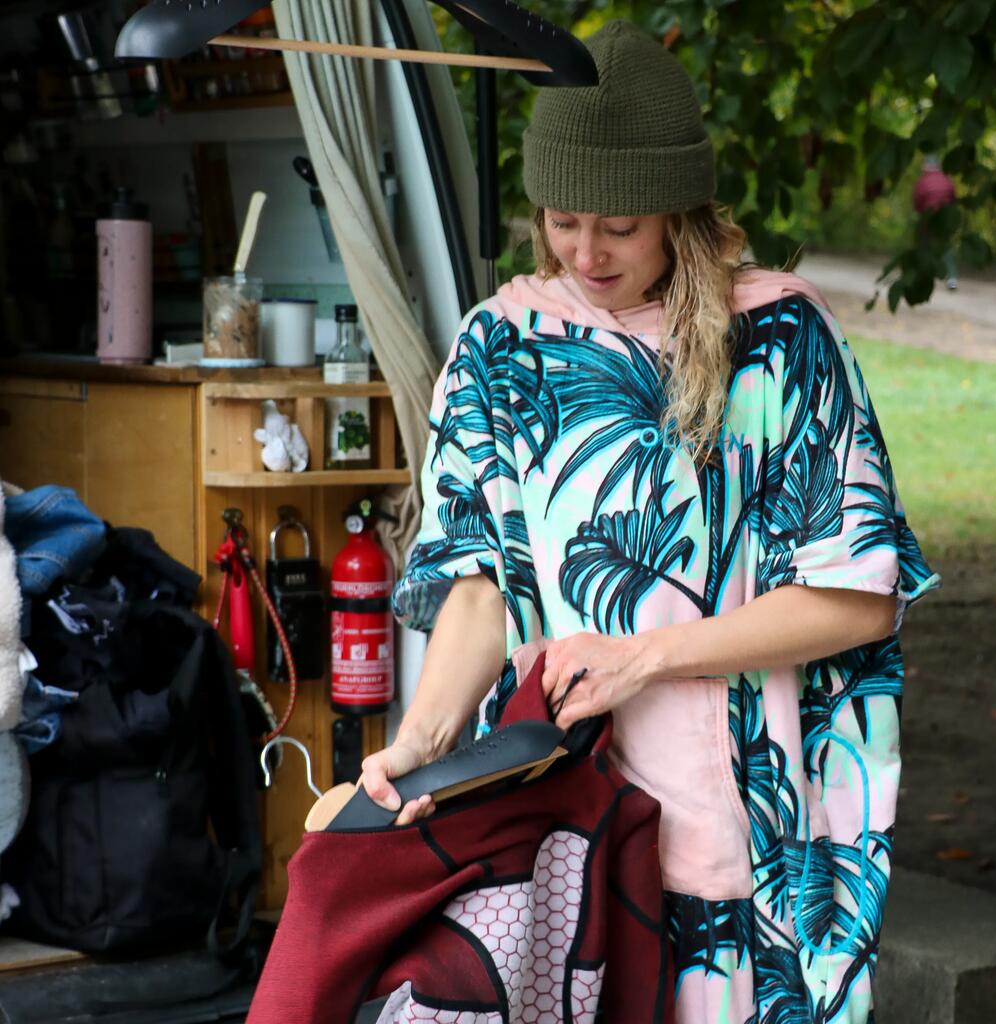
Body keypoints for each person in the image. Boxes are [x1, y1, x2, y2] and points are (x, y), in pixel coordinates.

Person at [366, 20, 939, 1024]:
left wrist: (645, 657)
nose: (585, 250)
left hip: (748, 838)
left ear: (678, 209)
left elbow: (857, 601)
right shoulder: (503, 346)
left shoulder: (779, 342)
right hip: (561, 831)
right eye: (562, 217)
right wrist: (425, 737)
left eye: (619, 225)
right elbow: (479, 584)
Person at [913, 155, 959, 290]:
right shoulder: (947, 179)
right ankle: (951, 278)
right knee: (946, 247)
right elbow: (953, 199)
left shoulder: (922, 182)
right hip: (945, 217)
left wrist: (923, 215)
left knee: (923, 244)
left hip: (929, 216)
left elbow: (917, 203)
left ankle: (921, 276)